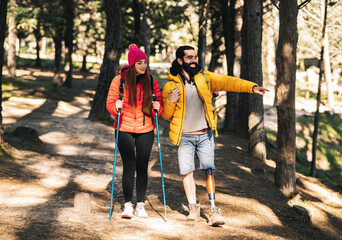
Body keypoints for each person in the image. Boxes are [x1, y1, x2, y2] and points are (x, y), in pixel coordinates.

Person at [161, 45, 268, 226]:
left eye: (195, 57)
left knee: (209, 171)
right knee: (187, 173)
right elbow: (165, 115)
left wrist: (252, 87)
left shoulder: (206, 79)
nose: (194, 60)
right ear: (180, 61)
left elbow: (230, 82)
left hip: (205, 136)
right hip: (185, 137)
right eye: (189, 58)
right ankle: (193, 207)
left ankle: (213, 209)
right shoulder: (170, 86)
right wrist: (170, 102)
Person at [106, 44, 163, 218]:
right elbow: (109, 103)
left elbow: (159, 104)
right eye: (139, 62)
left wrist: (157, 107)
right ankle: (128, 205)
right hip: (123, 128)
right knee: (129, 165)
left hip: (145, 129)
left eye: (145, 62)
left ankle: (140, 204)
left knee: (142, 166)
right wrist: (115, 107)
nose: (143, 66)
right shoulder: (119, 81)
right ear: (132, 64)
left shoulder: (151, 80)